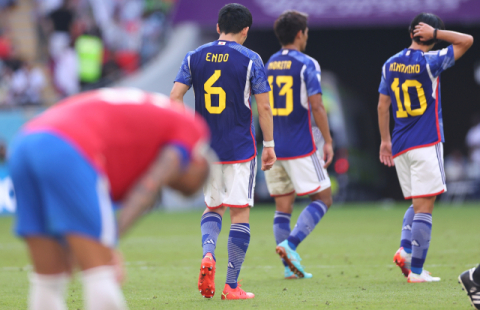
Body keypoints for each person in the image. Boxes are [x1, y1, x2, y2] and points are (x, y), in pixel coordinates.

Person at [8, 88, 211, 310]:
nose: (172, 183)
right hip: (67, 145)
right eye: (179, 184)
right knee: (100, 272)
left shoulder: (154, 120)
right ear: (197, 162)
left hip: (25, 141)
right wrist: (109, 243)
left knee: (49, 276)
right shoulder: (193, 131)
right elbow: (148, 188)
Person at [170, 3, 275, 300]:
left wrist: (185, 137)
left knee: (212, 207)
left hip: (207, 150)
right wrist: (269, 145)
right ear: (245, 30)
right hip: (240, 149)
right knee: (239, 213)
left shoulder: (194, 56)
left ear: (218, 27)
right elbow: (264, 106)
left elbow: (175, 97)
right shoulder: (251, 59)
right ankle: (231, 286)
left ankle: (207, 254)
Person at [377, 13, 473, 282]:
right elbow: (467, 40)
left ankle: (405, 249)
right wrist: (438, 34)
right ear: (429, 36)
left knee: (418, 201)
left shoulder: (390, 64)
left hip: (400, 144)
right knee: (425, 206)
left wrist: (385, 140)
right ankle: (417, 271)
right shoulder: (431, 61)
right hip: (426, 141)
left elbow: (382, 105)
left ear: (410, 33)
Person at [263, 11, 334, 279]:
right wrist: (327, 140)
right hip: (301, 144)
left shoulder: (269, 63)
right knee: (323, 198)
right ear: (299, 34)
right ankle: (290, 245)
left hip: (274, 145)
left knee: (283, 207)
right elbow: (316, 105)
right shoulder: (307, 63)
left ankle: (288, 269)